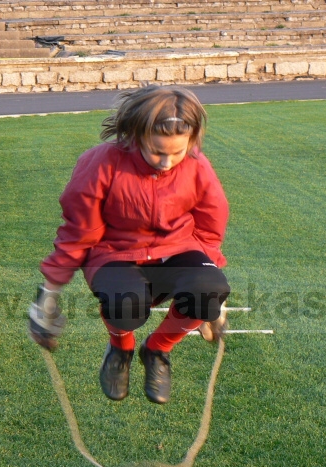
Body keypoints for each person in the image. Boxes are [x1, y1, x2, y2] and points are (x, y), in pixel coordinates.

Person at [29, 84, 230, 405]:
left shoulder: (196, 164)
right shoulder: (101, 164)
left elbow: (211, 222)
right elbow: (79, 231)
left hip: (177, 249)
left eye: (177, 152)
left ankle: (157, 351)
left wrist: (212, 294)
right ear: (135, 135)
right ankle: (120, 351)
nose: (166, 162)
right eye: (157, 152)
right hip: (115, 254)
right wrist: (49, 292)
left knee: (209, 289)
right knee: (126, 303)